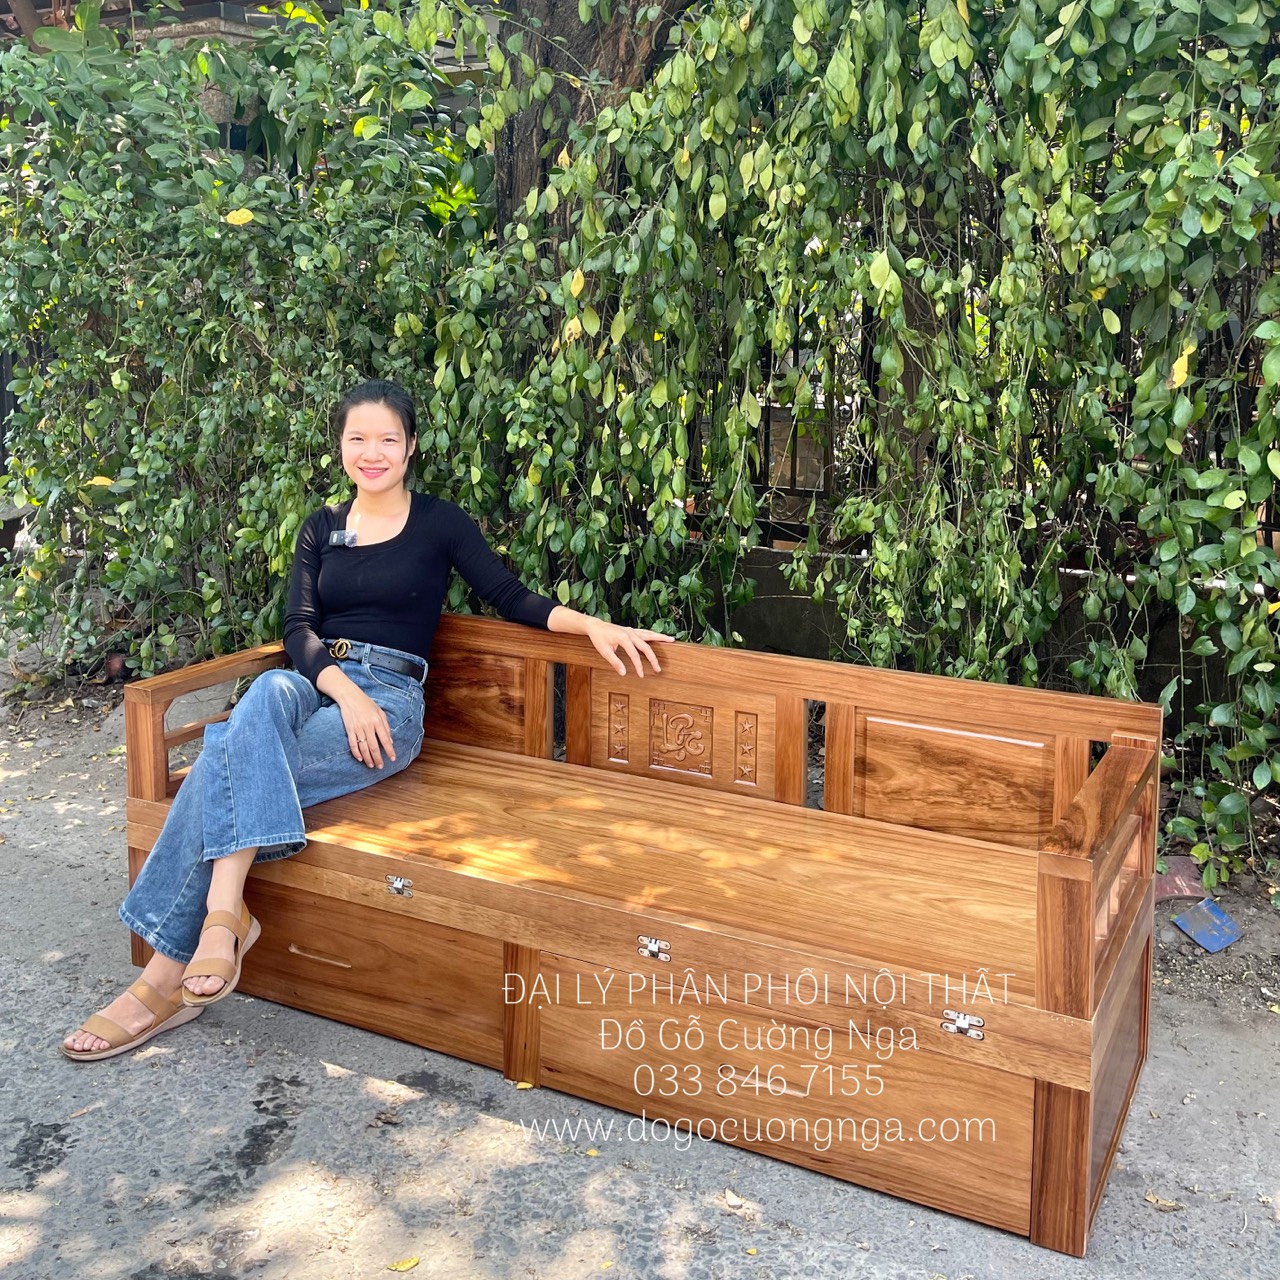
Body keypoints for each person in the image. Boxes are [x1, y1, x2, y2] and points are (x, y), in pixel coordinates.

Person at [63, 379, 671, 1060]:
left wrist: (595, 627)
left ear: (410, 447)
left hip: (389, 702)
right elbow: (298, 630)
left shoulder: (440, 523)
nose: (372, 452)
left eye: (387, 439)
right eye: (358, 438)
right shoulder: (321, 526)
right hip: (317, 685)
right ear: (341, 446)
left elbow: (510, 596)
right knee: (266, 694)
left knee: (222, 760)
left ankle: (163, 975)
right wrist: (343, 693)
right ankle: (223, 918)